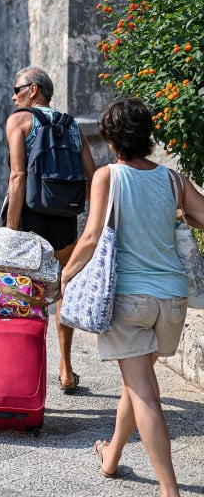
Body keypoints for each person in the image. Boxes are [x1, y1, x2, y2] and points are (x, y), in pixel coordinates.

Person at [61, 97, 203, 496]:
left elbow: (89, 238)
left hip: (129, 300)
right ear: (148, 137)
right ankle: (111, 458)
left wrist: (64, 277)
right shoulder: (173, 180)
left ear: (110, 139)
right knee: (136, 379)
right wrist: (183, 213)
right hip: (172, 302)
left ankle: (168, 490)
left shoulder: (108, 176)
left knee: (144, 392)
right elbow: (203, 215)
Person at [5, 66, 96, 392]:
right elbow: (92, 175)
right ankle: (66, 369)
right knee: (62, 291)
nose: (13, 96)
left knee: (24, 296)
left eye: (17, 89)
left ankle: (25, 370)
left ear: (33, 89)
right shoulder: (72, 126)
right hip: (65, 223)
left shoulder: (20, 121)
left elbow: (18, 178)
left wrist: (11, 231)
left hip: (30, 220)